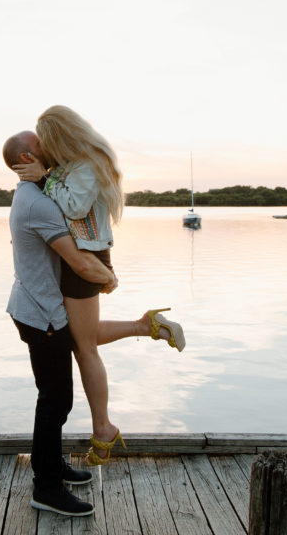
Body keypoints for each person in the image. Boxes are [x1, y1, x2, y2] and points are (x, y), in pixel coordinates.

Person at [13, 105, 186, 466]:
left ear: (60, 135)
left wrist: (42, 178)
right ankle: (148, 326)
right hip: (78, 257)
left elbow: (74, 208)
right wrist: (42, 175)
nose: (42, 148)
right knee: (81, 338)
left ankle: (103, 430)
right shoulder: (68, 165)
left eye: (45, 140)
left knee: (83, 346)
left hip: (86, 259)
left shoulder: (88, 164)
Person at [3, 129, 118, 517]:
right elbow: (80, 262)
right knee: (55, 401)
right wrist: (109, 277)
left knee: (53, 399)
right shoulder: (39, 203)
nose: (48, 149)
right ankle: (46, 488)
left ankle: (52, 467)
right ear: (24, 159)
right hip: (43, 314)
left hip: (34, 307)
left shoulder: (33, 194)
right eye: (39, 146)